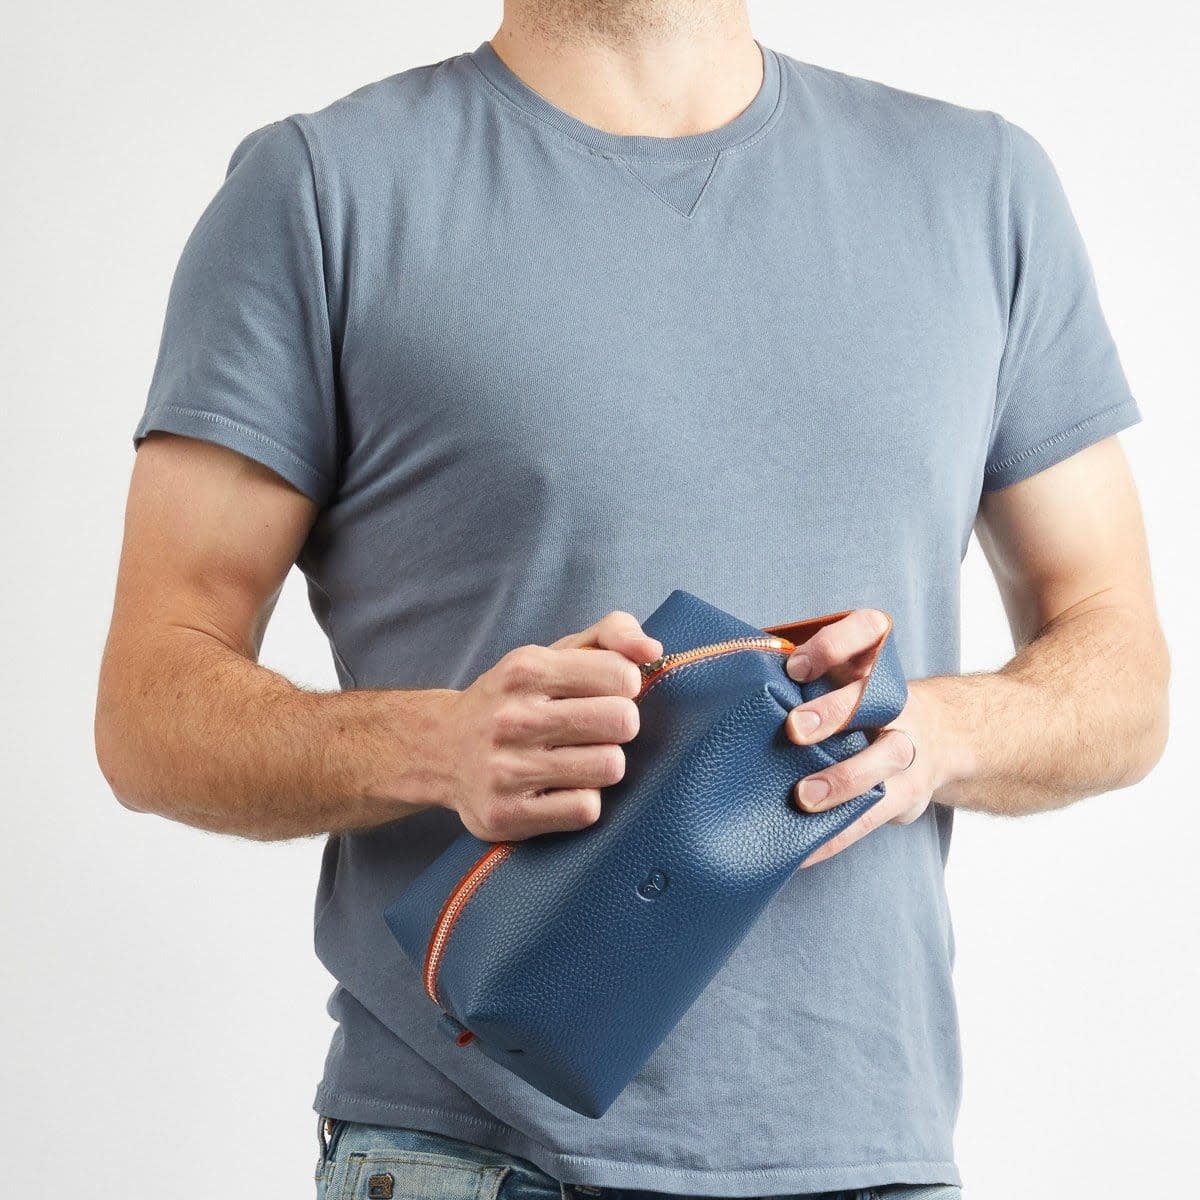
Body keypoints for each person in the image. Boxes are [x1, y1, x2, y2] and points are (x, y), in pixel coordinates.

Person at [94, 0, 1169, 1197]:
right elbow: (148, 710)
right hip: (476, 1148)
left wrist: (933, 734)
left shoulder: (982, 190)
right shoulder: (319, 190)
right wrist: (439, 746)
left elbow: (1121, 668)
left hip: (875, 1155)